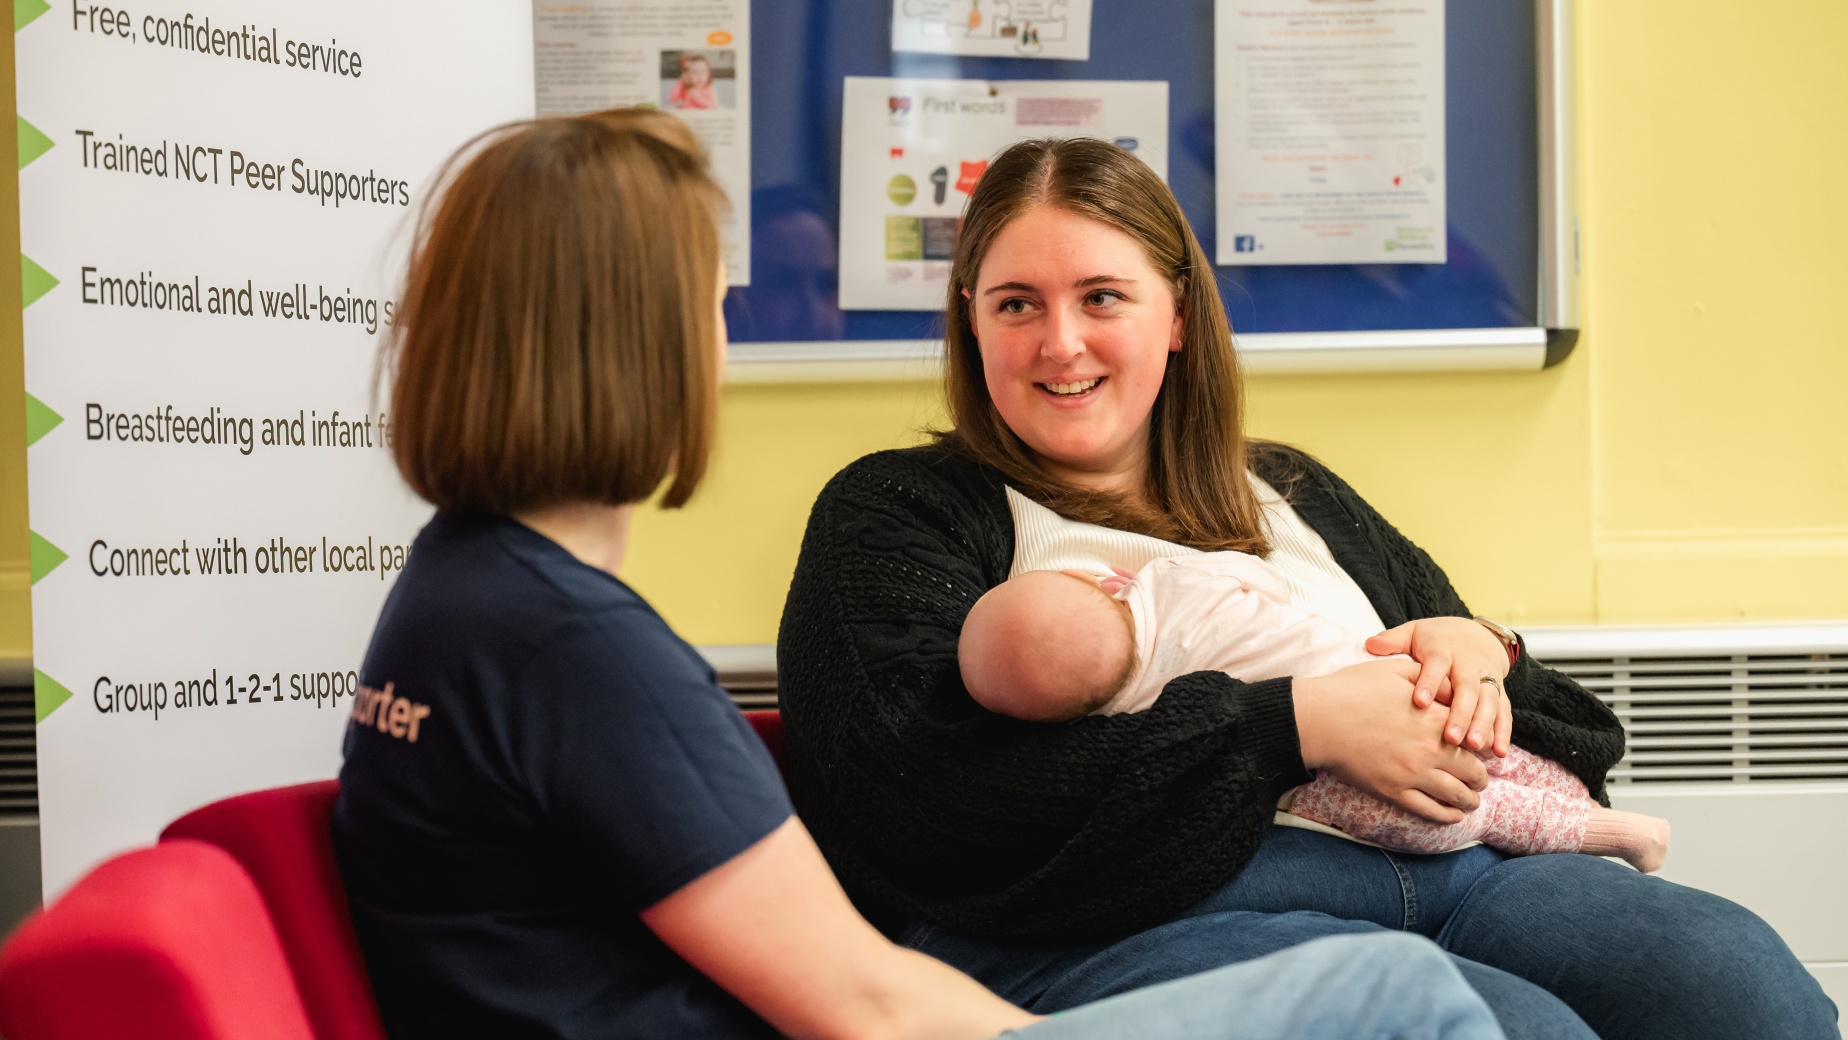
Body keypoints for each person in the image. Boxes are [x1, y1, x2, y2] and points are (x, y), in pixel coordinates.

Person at [332, 109, 1507, 1040]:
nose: (726, 329)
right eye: (708, 300)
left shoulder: (462, 595)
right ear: (639, 346)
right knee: (1399, 996)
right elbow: (869, 1004)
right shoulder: (570, 647)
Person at [777, 136, 1842, 1040]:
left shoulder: (1292, 491)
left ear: (1177, 313)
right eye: (1017, 303)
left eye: (1102, 296)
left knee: (1736, 984)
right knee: (1518, 1028)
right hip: (1130, 914)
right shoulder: (900, 511)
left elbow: (1577, 738)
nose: (1061, 342)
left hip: (1467, 868)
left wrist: (1485, 656)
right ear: (971, 319)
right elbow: (916, 801)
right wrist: (1291, 726)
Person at [957, 558, 1672, 872]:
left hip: (1350, 782)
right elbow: (1262, 581)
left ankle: (1602, 830)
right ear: (1094, 581)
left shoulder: (1134, 707)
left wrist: (1485, 641)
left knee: (1472, 811)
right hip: (1394, 683)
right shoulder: (1175, 580)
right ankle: (1595, 817)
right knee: (1490, 758)